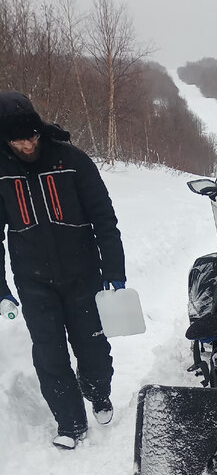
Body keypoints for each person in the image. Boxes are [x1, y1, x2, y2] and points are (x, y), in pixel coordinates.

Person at [0, 91, 127, 449]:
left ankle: (98, 392)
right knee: (49, 353)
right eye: (18, 139)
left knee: (92, 348)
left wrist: (114, 269)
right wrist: (1, 287)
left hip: (83, 273)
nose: (28, 144)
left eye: (32, 135)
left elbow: (104, 217)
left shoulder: (72, 160)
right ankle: (70, 424)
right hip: (33, 280)